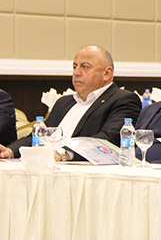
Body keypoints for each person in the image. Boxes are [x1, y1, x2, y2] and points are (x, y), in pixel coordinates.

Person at [0, 45, 141, 161]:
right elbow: (39, 137)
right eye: (74, 66)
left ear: (107, 73)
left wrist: (63, 154)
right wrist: (10, 150)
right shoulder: (64, 102)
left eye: (85, 67)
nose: (76, 73)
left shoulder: (123, 100)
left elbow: (107, 139)